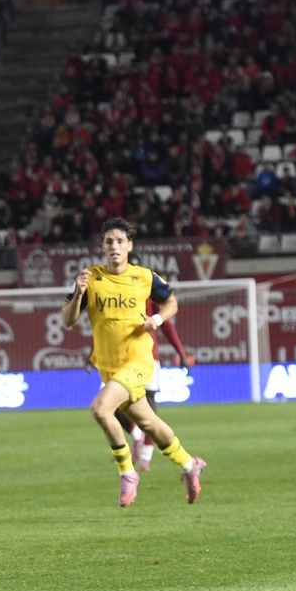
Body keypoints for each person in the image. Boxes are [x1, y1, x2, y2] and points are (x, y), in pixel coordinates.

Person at [61, 217, 207, 508]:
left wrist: (156, 318)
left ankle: (127, 472)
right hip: (110, 366)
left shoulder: (144, 277)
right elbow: (68, 320)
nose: (114, 246)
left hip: (139, 362)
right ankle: (190, 464)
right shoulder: (91, 278)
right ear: (103, 246)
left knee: (101, 409)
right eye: (108, 241)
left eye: (119, 241)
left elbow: (171, 303)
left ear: (130, 245)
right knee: (150, 423)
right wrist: (78, 294)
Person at [114, 285, 194, 471]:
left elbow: (166, 325)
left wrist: (181, 354)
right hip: (121, 360)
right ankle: (137, 435)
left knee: (149, 406)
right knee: (109, 405)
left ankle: (146, 455)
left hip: (147, 358)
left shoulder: (147, 295)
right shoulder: (115, 295)